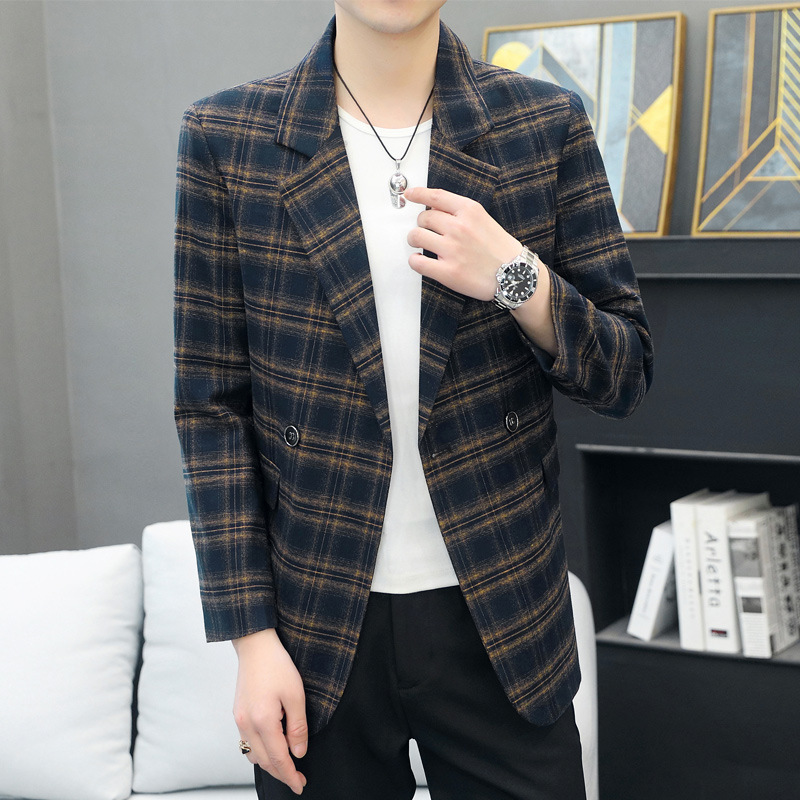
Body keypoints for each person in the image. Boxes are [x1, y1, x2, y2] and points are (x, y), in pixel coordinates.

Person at [174, 1, 653, 798]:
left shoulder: (542, 123)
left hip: (505, 616)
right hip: (316, 628)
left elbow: (624, 373)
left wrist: (515, 277)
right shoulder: (228, 136)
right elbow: (211, 406)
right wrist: (251, 641)